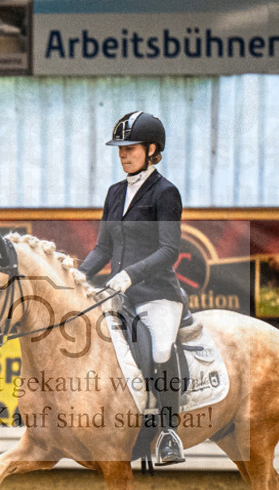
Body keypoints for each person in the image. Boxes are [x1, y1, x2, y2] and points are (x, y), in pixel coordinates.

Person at [79, 110, 185, 466]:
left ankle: (169, 432)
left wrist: (130, 275)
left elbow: (169, 249)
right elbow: (103, 248)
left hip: (157, 294)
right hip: (119, 297)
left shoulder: (166, 192)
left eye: (131, 148)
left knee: (158, 351)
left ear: (152, 149)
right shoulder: (114, 193)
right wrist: (76, 276)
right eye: (120, 149)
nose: (123, 155)